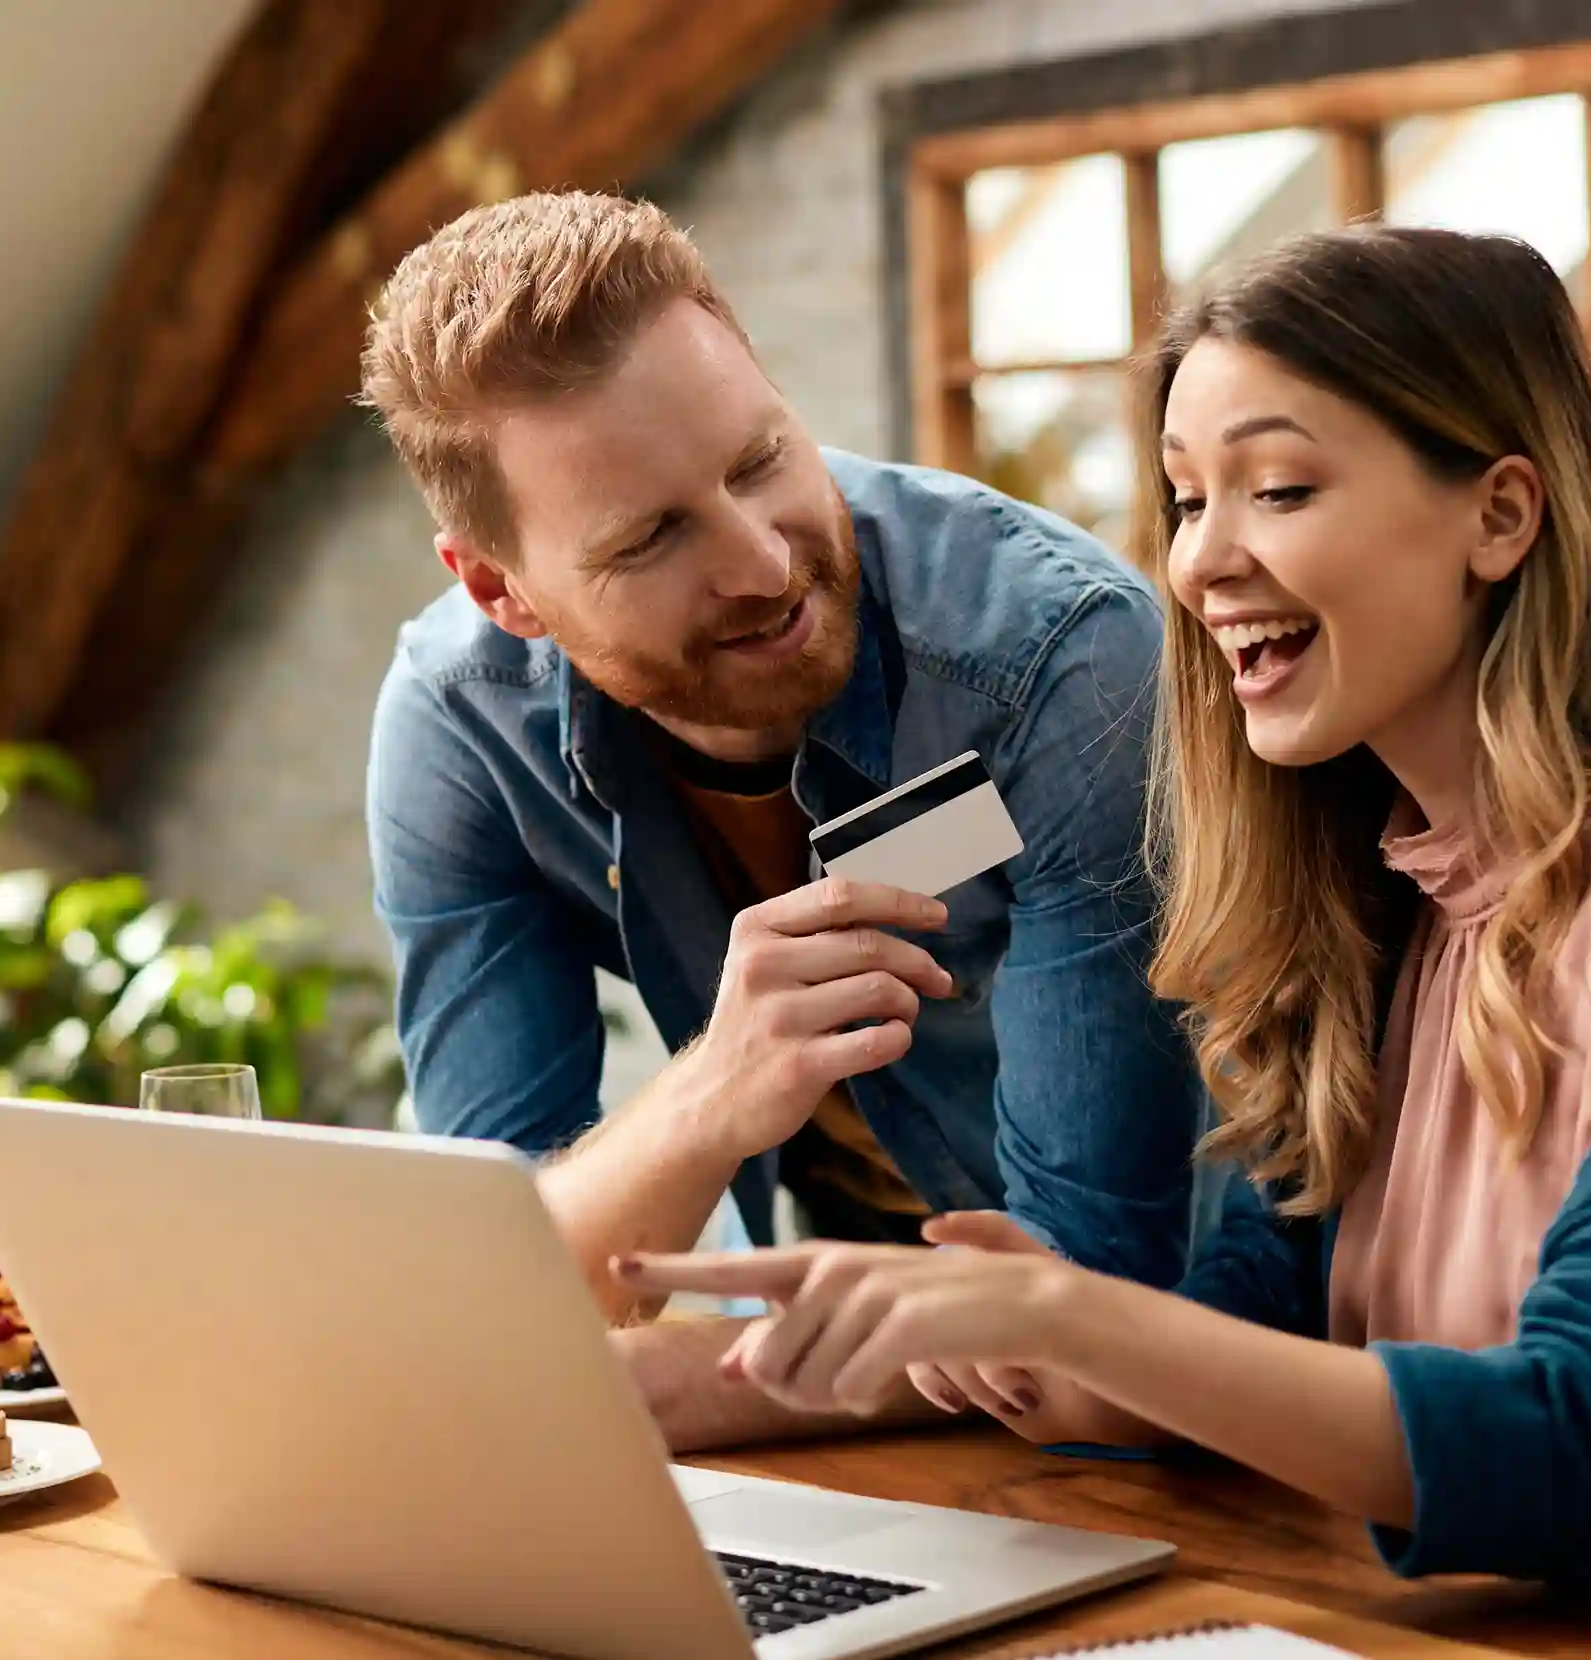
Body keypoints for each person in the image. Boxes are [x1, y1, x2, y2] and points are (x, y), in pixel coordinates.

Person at [617, 226, 1591, 1591]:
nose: (1198, 565)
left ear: (1500, 515)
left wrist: (1081, 1318)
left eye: (1277, 488)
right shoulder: (1366, 899)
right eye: (1187, 501)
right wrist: (1026, 1348)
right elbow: (1258, 1343)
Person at [359, 191, 1208, 1452]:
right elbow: (504, 1274)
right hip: (880, 1400)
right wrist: (713, 1093)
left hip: (1202, 1406)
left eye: (760, 459)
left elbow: (1094, 1299)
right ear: (501, 588)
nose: (761, 563)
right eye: (652, 536)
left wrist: (684, 1387)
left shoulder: (1056, 662)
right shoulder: (462, 726)